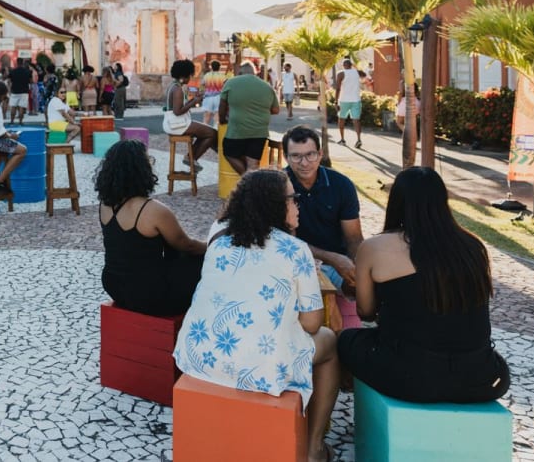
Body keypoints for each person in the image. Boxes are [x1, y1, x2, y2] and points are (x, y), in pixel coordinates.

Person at [174, 170, 338, 462]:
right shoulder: (295, 250)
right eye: (293, 199)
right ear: (274, 205)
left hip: (197, 355)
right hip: (260, 367)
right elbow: (312, 323)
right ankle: (314, 448)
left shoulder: (219, 238)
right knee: (330, 342)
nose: (297, 205)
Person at [338, 167, 511, 404]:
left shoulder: (375, 247)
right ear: (442, 201)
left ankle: (349, 405)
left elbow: (365, 312)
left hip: (412, 378)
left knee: (345, 339)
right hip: (481, 378)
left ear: (396, 202)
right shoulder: (473, 246)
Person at [98, 140, 206, 316]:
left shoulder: (105, 205)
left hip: (114, 285)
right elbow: (188, 245)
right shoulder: (153, 210)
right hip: (149, 293)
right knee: (200, 261)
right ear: (141, 170)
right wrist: (211, 245)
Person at [281, 125, 364, 296]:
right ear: (286, 157)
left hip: (338, 264)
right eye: (296, 156)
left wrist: (356, 270)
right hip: (292, 263)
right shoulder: (278, 186)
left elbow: (354, 238)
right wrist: (332, 258)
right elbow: (283, 242)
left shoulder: (341, 184)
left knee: (364, 289)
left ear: (320, 154)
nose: (304, 163)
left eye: (310, 154)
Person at [219, 62, 280, 175]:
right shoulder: (267, 86)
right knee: (253, 164)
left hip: (237, 131)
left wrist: (222, 120)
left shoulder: (231, 82)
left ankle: (247, 178)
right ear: (254, 73)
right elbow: (276, 110)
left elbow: (222, 105)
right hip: (259, 132)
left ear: (240, 72)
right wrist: (260, 110)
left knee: (229, 153)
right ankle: (251, 180)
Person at [162, 60, 217, 167]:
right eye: (190, 76)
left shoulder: (174, 86)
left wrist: (193, 100)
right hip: (176, 124)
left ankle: (191, 157)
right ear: (184, 76)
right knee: (212, 133)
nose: (190, 78)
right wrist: (194, 102)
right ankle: (192, 158)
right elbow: (177, 111)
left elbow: (179, 107)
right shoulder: (177, 89)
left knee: (207, 132)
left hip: (175, 123)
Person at [335, 58, 364, 149]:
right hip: (356, 100)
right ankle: (358, 139)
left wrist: (336, 101)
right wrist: (355, 68)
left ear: (343, 65)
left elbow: (338, 88)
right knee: (356, 120)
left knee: (341, 119)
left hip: (344, 100)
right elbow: (364, 74)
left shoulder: (340, 73)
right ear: (351, 65)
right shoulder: (357, 72)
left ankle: (342, 139)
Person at [200, 60, 228, 127]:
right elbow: (226, 86)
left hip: (208, 98)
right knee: (217, 119)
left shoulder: (207, 75)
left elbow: (202, 85)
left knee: (206, 119)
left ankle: (204, 131)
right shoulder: (223, 76)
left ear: (211, 67)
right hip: (218, 98)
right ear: (219, 67)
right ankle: (215, 131)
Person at [7, 58, 32, 125]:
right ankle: (20, 122)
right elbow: (31, 81)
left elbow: (9, 81)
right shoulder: (27, 71)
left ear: (17, 63)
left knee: (13, 107)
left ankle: (12, 121)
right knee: (21, 107)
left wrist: (9, 89)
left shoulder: (13, 71)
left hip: (14, 91)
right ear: (22, 63)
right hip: (24, 91)